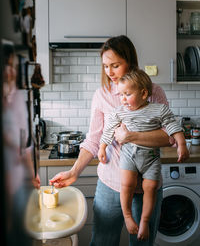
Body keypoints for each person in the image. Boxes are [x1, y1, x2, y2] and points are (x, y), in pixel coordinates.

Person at [50, 35, 188, 246]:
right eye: (105, 66)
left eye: (115, 65)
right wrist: (73, 172)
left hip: (146, 187)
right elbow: (94, 139)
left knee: (142, 243)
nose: (109, 72)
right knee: (102, 242)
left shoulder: (153, 92)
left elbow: (168, 137)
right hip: (110, 185)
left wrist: (130, 136)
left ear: (130, 62)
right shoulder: (102, 95)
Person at [98, 69, 189, 241]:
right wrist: (102, 148)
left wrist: (182, 145)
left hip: (151, 157)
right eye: (121, 95)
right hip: (129, 156)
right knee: (127, 184)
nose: (123, 98)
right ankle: (128, 217)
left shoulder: (159, 110)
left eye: (127, 94)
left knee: (150, 188)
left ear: (144, 93)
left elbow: (173, 127)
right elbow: (108, 130)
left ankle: (145, 222)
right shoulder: (120, 112)